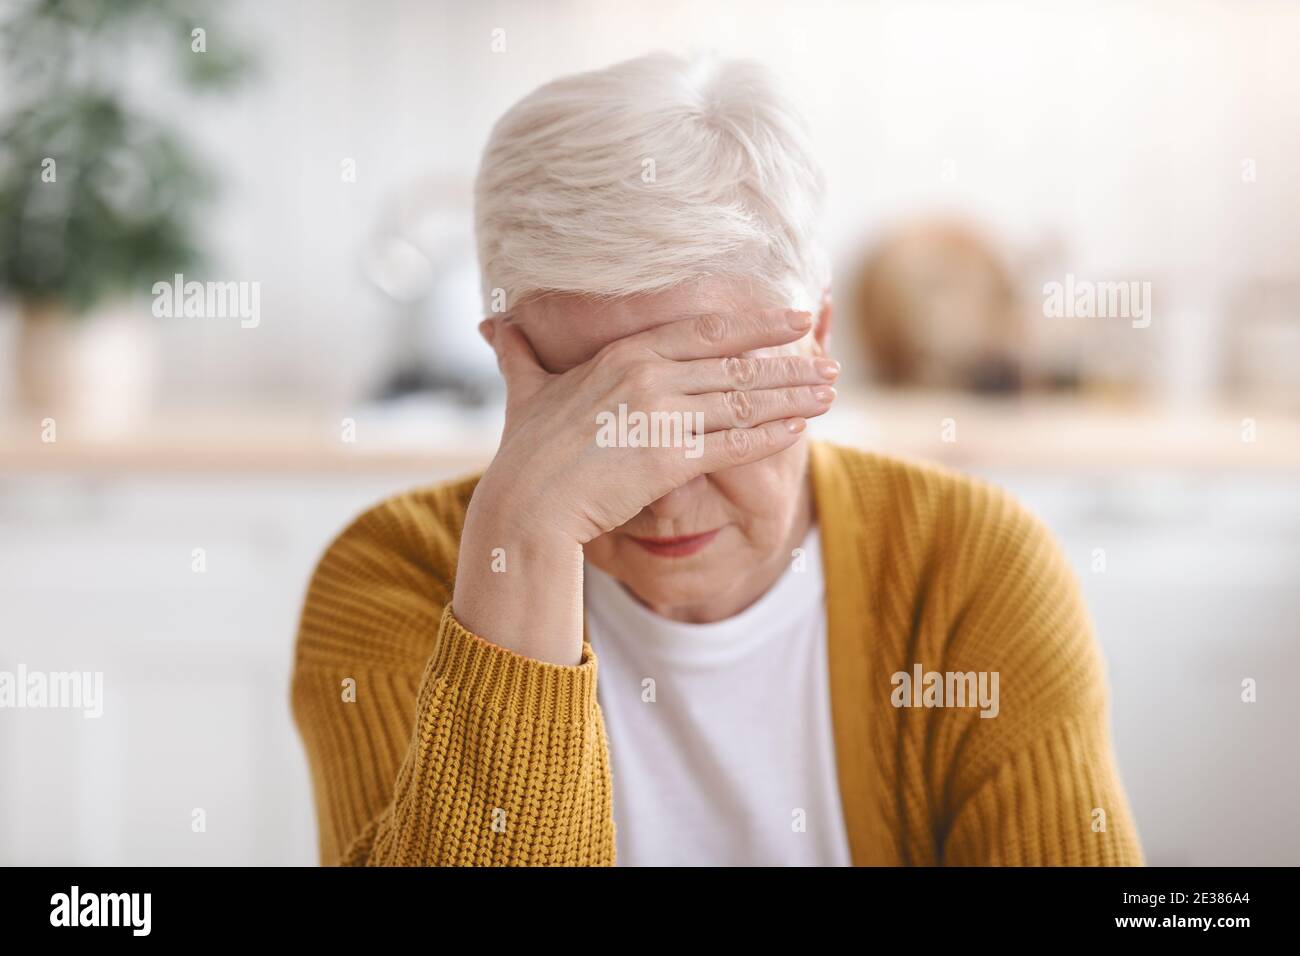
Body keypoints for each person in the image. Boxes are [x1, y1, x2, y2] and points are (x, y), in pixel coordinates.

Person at [290, 52, 1143, 866]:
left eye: (712, 400)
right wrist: (523, 539)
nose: (664, 502)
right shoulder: (389, 581)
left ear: (818, 337)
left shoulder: (973, 571)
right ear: (508, 361)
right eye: (600, 416)